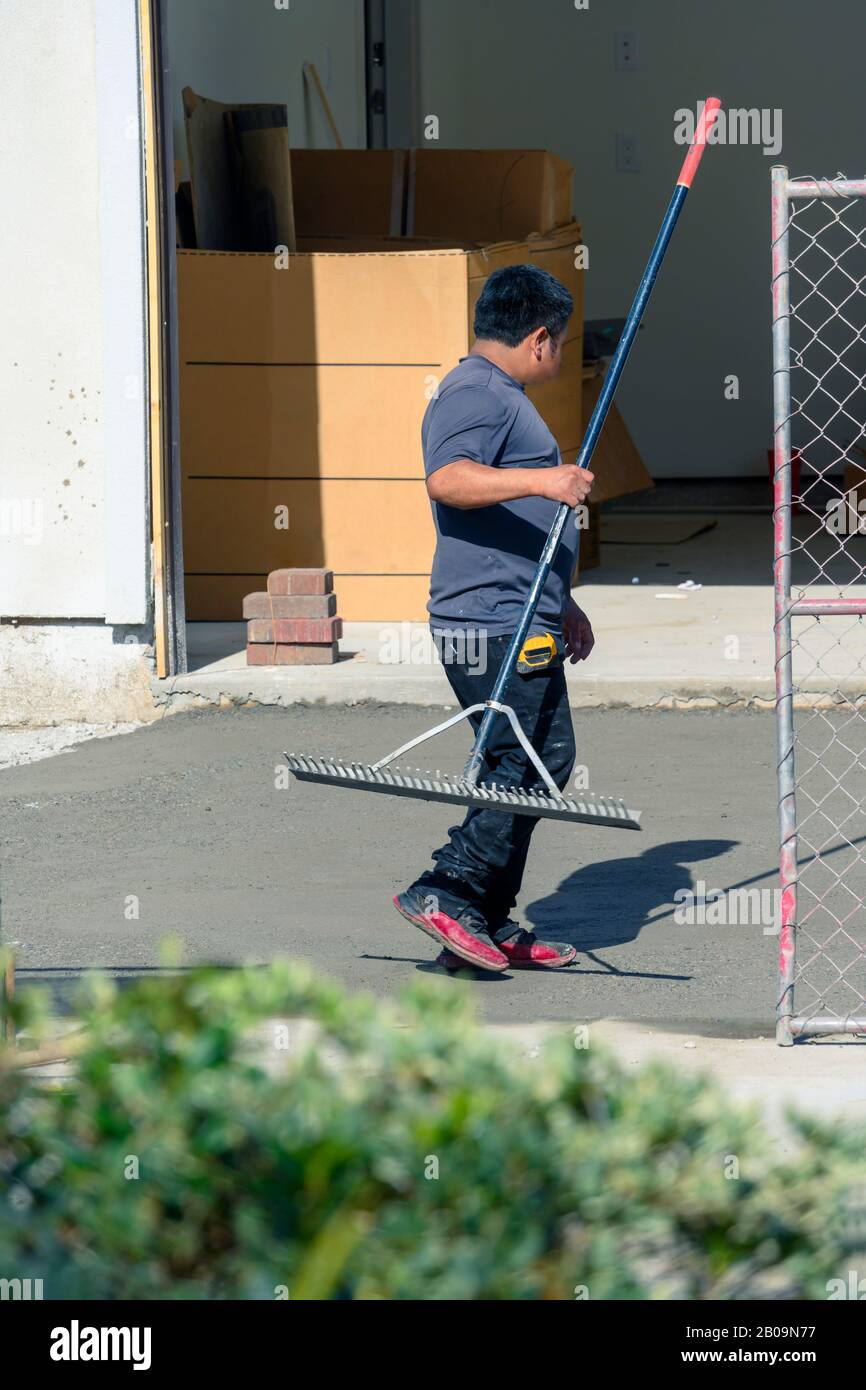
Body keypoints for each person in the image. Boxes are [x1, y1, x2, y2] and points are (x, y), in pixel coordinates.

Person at [393, 263, 596, 972]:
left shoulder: (493, 394)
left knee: (544, 760)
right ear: (539, 338)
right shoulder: (478, 392)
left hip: (523, 613)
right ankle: (448, 890)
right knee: (521, 761)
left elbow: (511, 520)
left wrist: (561, 596)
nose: (561, 355)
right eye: (561, 342)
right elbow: (449, 478)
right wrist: (548, 479)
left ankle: (481, 914)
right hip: (491, 623)